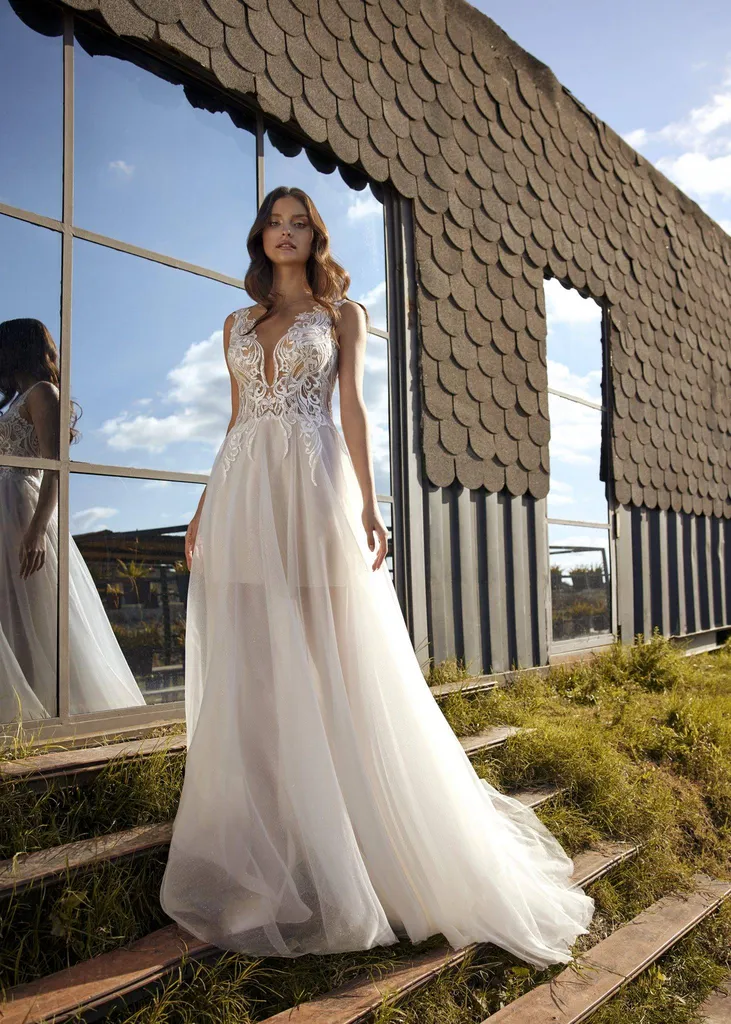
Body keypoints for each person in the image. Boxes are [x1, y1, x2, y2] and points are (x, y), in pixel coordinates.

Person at [159, 186, 595, 965]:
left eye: (300, 225)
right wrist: (201, 510)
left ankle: (362, 834)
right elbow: (234, 422)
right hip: (243, 492)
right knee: (257, 663)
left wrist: (366, 503)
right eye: (274, 223)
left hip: (313, 486)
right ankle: (280, 834)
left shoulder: (341, 317)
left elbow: (351, 410)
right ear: (259, 237)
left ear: (315, 238)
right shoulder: (233, 324)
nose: (285, 234)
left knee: (332, 654)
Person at [0, 318, 147, 719]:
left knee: (39, 610)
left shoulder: (42, 393)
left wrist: (35, 532)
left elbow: (54, 467)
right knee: (12, 614)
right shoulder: (15, 400)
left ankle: (54, 713)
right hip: (5, 509)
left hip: (24, 508)